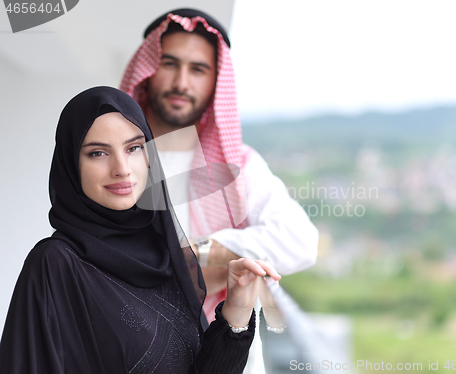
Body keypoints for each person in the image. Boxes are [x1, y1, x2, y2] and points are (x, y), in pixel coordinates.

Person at [0, 86, 281, 374]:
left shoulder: (165, 253)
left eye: (134, 148)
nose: (122, 168)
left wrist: (237, 311)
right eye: (97, 153)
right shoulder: (55, 264)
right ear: (72, 165)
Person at [120, 8, 318, 321]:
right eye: (169, 64)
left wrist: (200, 251)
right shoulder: (116, 162)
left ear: (216, 81)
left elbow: (300, 242)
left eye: (198, 69)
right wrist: (207, 270)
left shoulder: (240, 165)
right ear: (146, 71)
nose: (181, 82)